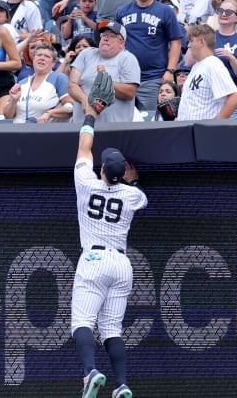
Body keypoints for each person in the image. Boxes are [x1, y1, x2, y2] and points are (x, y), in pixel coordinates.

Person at [71, 96, 147, 398]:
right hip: (121, 264)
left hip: (94, 258)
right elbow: (139, 195)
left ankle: (90, 372)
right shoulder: (131, 195)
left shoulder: (86, 182)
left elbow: (84, 147)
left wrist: (91, 115)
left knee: (82, 323)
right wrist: (132, 179)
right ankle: (121, 385)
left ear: (102, 170)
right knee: (112, 330)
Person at [115, 0, 183, 111]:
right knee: (123, 122)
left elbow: (175, 42)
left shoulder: (165, 11)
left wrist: (170, 70)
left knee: (151, 121)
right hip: (125, 78)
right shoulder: (121, 11)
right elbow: (115, 41)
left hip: (153, 77)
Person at [67, 21, 141, 122]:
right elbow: (72, 85)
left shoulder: (128, 58)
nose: (105, 38)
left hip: (114, 129)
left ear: (122, 44)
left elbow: (130, 92)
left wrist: (106, 81)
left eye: (112, 36)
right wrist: (85, 100)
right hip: (82, 126)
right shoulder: (86, 54)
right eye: (104, 35)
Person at [176, 24, 237, 120]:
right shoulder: (197, 66)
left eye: (191, 41)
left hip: (203, 131)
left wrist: (215, 125)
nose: (188, 45)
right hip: (188, 129)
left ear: (201, 42)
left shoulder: (213, 64)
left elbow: (235, 97)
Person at [4, 43, 73, 123]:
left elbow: (70, 107)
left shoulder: (59, 78)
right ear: (33, 59)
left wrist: (50, 113)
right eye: (39, 55)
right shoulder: (22, 83)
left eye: (47, 56)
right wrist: (14, 101)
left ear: (53, 63)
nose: (42, 58)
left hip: (44, 132)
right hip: (18, 132)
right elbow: (7, 115)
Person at [214, 0, 237, 100]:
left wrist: (231, 57)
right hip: (209, 97)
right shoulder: (208, 36)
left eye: (229, 12)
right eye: (220, 10)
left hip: (230, 97)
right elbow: (188, 62)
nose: (223, 14)